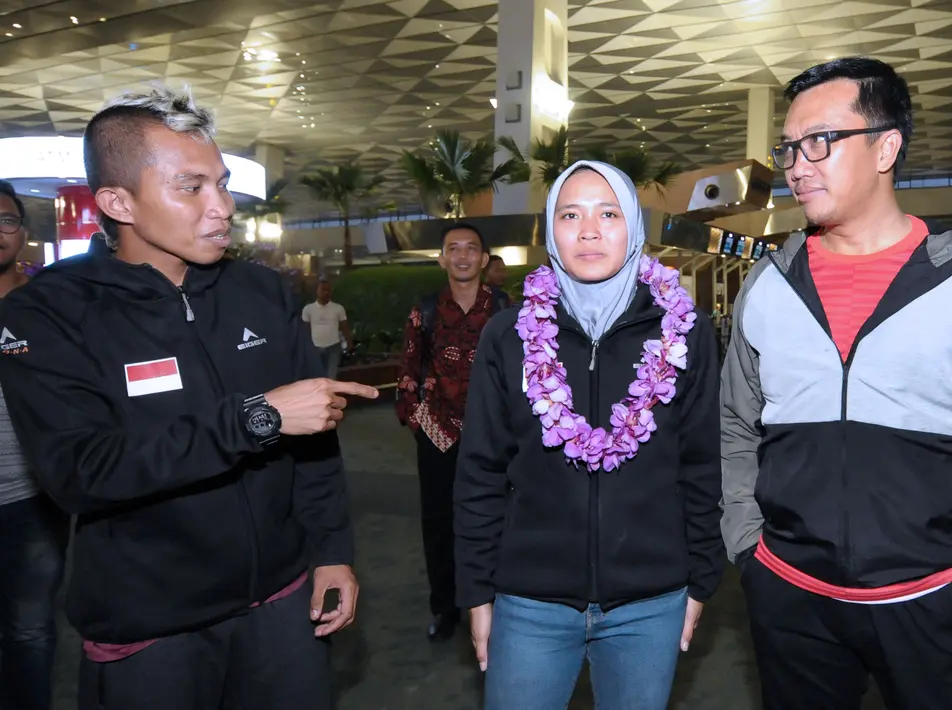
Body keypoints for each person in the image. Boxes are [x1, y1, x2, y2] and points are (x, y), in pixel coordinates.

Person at [0, 85, 378, 710]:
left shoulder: (262, 293)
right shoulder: (50, 312)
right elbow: (81, 471)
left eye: (223, 183)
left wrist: (332, 552)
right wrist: (257, 418)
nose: (223, 207)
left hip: (282, 601)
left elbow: (315, 438)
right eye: (192, 187)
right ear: (117, 202)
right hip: (151, 626)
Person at [720, 58, 952, 710]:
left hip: (932, 600)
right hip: (790, 597)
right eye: (789, 147)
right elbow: (736, 423)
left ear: (886, 146)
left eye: (819, 142)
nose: (797, 165)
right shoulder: (767, 284)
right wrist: (746, 542)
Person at [454, 161, 724, 710]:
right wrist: (477, 592)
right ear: (550, 230)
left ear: (634, 228)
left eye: (609, 213)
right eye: (569, 214)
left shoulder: (686, 332)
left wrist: (699, 581)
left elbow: (702, 465)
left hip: (651, 598)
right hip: (529, 599)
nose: (590, 230)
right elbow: (480, 470)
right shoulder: (508, 336)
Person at [395, 223, 507, 641]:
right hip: (438, 433)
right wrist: (417, 418)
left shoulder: (505, 310)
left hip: (493, 435)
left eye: (471, 249)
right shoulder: (424, 310)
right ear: (441, 258)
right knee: (439, 523)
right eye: (453, 249)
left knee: (496, 519)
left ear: (484, 258)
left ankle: (495, 601)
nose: (462, 256)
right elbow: (407, 370)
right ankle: (445, 607)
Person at [0, 180, 70, 710]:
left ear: (22, 232)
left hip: (31, 500)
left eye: (6, 220)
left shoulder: (46, 307)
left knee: (30, 632)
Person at [302, 278, 354, 379]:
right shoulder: (308, 309)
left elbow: (345, 327)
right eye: (323, 290)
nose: (325, 293)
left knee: (331, 375)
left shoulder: (338, 308)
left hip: (333, 347)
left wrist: (349, 342)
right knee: (317, 376)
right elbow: (305, 330)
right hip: (315, 347)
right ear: (317, 291)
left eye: (328, 290)